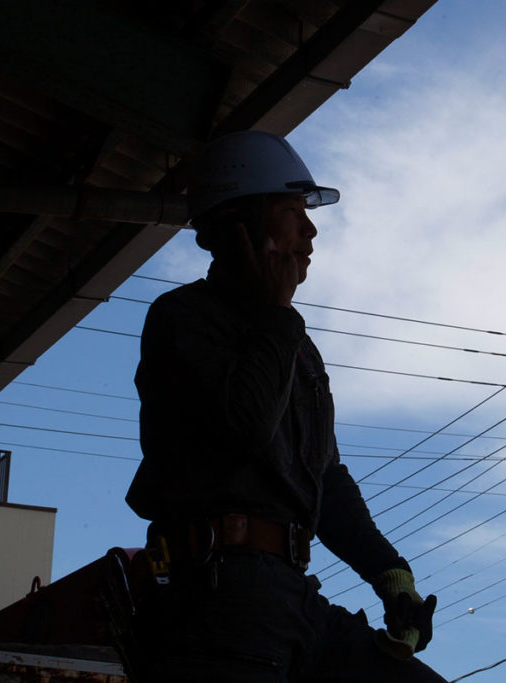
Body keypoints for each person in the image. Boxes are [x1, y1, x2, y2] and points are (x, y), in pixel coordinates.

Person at [125, 130, 446, 682]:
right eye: (292, 211)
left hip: (291, 595)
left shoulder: (295, 348)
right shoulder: (183, 319)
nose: (310, 231)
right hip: (221, 600)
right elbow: (244, 426)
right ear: (242, 227)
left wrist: (390, 574)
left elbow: (324, 478)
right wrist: (275, 315)